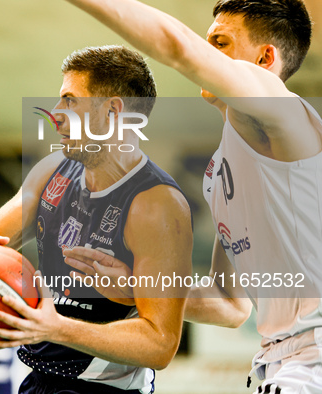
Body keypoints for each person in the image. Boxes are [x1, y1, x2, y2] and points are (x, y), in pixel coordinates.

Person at [57, 0, 322, 392]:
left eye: (221, 43)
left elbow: (178, 46)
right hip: (278, 362)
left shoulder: (280, 113)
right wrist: (135, 284)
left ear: (266, 58)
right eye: (206, 42)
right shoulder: (218, 173)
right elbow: (229, 303)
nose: (206, 54)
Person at [0, 45, 193, 393]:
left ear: (113, 110)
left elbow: (160, 343)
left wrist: (55, 328)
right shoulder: (51, 172)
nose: (55, 113)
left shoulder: (157, 206)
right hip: (38, 381)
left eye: (70, 100)